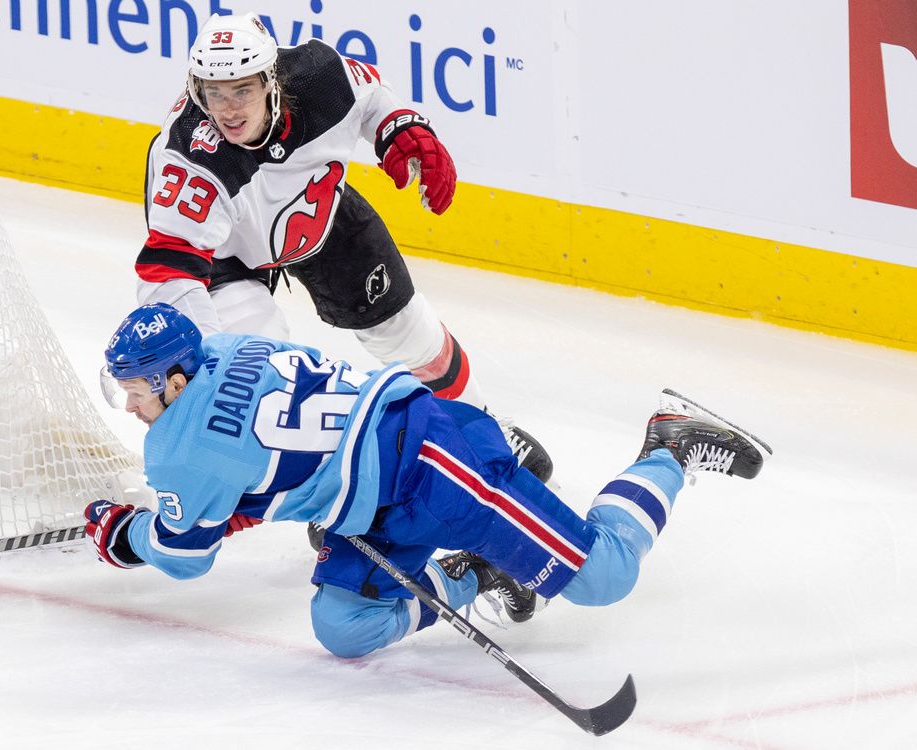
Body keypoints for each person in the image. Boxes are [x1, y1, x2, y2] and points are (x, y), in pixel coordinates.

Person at [88, 304, 771, 657]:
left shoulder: (182, 451)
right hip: (374, 488)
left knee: (606, 577)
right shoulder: (227, 347)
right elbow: (267, 456)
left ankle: (668, 448)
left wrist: (125, 533)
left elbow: (181, 556)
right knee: (344, 627)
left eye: (137, 391)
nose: (131, 406)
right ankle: (486, 572)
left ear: (174, 379)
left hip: (438, 468)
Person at [136, 11, 552, 487]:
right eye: (215, 92)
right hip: (226, 256)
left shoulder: (320, 76)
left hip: (317, 212)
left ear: (271, 80)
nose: (228, 109)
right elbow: (170, 273)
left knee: (409, 333)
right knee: (266, 373)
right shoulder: (188, 158)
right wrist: (206, 364)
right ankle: (329, 488)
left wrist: (400, 128)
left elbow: (372, 94)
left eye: (242, 90)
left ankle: (482, 431)